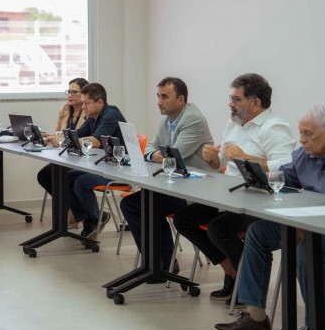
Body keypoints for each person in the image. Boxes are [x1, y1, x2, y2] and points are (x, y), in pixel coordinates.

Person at [173, 73, 296, 306]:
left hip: (258, 201)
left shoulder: (275, 127)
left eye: (236, 99)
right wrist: (211, 158)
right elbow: (222, 163)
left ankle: (244, 285)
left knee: (219, 228)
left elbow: (286, 170)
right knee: (183, 218)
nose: (231, 103)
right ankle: (230, 270)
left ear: (256, 102)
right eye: (231, 98)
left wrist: (247, 158)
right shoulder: (234, 123)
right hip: (228, 195)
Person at [214, 104, 325, 330]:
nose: (301, 140)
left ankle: (316, 325)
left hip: (319, 229)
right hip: (304, 222)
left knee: (305, 249)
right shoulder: (304, 156)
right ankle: (256, 316)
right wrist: (258, 177)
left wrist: (306, 227)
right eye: (301, 132)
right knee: (258, 232)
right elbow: (284, 180)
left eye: (308, 133)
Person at [120, 77, 214, 278]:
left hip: (196, 190)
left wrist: (159, 155)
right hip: (173, 184)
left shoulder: (193, 119)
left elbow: (174, 155)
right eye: (158, 96)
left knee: (144, 205)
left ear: (180, 100)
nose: (159, 102)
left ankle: (163, 263)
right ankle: (158, 261)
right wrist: (154, 155)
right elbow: (152, 148)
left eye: (164, 97)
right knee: (135, 204)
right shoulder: (166, 120)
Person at [68, 82, 126, 240]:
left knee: (80, 182)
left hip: (120, 168)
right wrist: (63, 138)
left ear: (100, 102)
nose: (83, 107)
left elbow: (94, 141)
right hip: (103, 164)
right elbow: (77, 134)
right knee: (66, 177)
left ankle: (95, 217)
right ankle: (90, 218)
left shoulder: (111, 114)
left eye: (86, 103)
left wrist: (69, 141)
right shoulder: (92, 117)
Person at [37, 77, 88, 228]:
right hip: (65, 156)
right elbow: (59, 134)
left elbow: (82, 138)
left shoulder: (88, 112)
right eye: (68, 91)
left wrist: (57, 139)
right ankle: (73, 209)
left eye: (74, 92)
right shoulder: (64, 110)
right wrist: (50, 137)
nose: (70, 95)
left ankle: (79, 213)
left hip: (81, 158)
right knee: (45, 175)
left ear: (84, 94)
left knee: (57, 175)